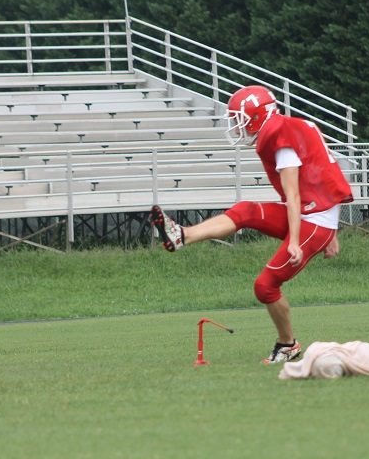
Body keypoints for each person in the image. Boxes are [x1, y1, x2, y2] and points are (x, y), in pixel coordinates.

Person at [150, 85, 353, 364]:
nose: (235, 126)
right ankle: (181, 235)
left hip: (312, 220)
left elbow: (294, 195)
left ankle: (288, 345)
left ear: (257, 116)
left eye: (239, 119)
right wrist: (332, 224)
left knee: (265, 286)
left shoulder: (280, 136)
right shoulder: (285, 127)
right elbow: (319, 173)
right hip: (315, 214)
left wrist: (297, 240)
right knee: (245, 210)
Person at [278, 341, 369, 380]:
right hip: (366, 352)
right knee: (325, 364)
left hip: (365, 352)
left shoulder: (321, 358)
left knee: (325, 364)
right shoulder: (321, 359)